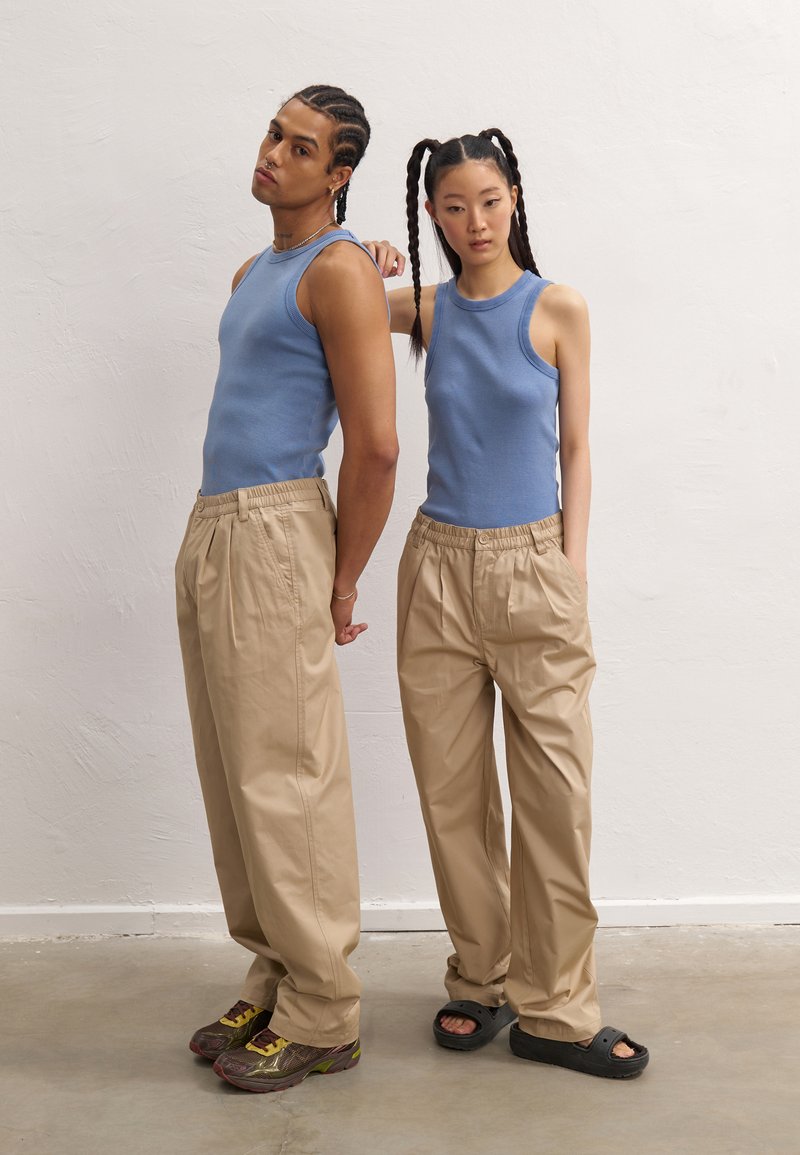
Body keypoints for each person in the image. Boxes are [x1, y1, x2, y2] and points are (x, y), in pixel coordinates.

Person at [369, 129, 649, 1078]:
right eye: (453, 207)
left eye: (489, 201)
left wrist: (571, 566)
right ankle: (480, 978)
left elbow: (576, 447)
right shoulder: (427, 308)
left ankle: (559, 1008)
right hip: (437, 571)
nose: (475, 222)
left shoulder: (557, 306)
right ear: (434, 215)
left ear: (515, 197)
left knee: (555, 797)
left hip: (535, 565)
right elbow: (308, 292)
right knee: (452, 795)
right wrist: (360, 253)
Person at [175, 84, 398, 1094]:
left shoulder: (338, 269)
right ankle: (274, 974)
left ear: (338, 174)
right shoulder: (254, 270)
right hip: (215, 523)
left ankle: (323, 1010)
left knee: (288, 774)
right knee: (238, 775)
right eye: (273, 133)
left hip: (275, 528)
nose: (273, 153)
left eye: (301, 147)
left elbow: (377, 446)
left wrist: (343, 576)